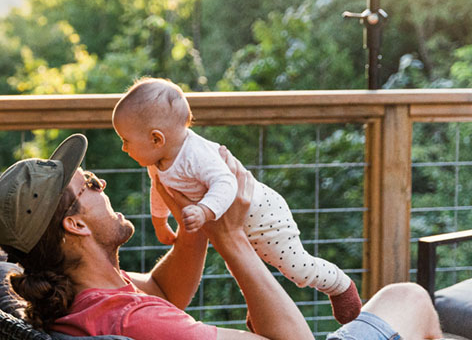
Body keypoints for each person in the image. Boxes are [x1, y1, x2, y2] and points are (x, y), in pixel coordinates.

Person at [0, 132, 472, 340]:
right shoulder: (136, 321)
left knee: (427, 329)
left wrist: (196, 220)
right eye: (90, 184)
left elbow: (163, 289)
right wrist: (232, 236)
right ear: (74, 224)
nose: (102, 184)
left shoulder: (84, 300)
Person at [111, 77, 361, 324]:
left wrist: (204, 211)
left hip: (263, 215)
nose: (123, 148)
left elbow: (226, 183)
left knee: (297, 268)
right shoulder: (157, 162)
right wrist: (160, 222)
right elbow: (159, 190)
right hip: (236, 222)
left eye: (126, 141)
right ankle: (260, 312)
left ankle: (339, 285)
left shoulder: (196, 155)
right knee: (239, 266)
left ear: (156, 139)